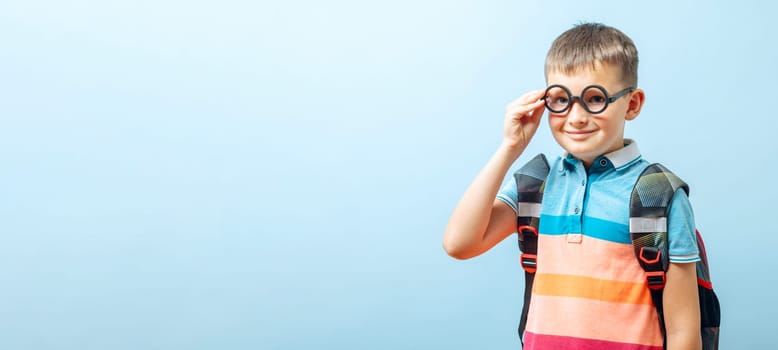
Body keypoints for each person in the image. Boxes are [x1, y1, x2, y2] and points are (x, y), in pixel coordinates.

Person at [442, 23, 702, 350]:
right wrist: (509, 148)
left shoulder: (657, 195)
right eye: (561, 99)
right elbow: (459, 243)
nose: (576, 117)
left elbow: (683, 333)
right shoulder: (536, 183)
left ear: (633, 104)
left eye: (595, 98)